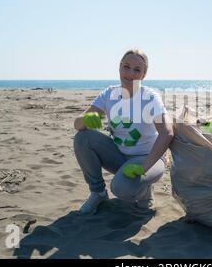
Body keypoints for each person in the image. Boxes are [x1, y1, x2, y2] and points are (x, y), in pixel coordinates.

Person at [73, 49, 174, 214]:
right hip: (120, 156)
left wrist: (145, 167)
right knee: (83, 138)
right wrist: (85, 119)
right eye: (126, 67)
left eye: (137, 70)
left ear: (143, 75)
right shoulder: (108, 94)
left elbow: (167, 132)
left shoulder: (149, 97)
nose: (130, 73)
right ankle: (97, 193)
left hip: (149, 158)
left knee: (121, 189)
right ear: (119, 67)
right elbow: (77, 124)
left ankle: (145, 191)